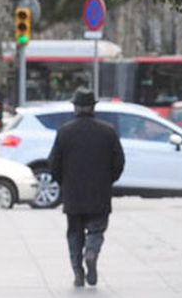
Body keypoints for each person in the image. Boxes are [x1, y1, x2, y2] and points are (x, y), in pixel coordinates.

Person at [48, 89, 125, 287]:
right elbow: (119, 162)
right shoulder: (108, 131)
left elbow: (54, 164)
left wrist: (64, 183)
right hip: (100, 193)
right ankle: (91, 252)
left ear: (75, 108)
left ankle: (78, 272)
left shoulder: (65, 131)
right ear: (93, 107)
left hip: (73, 194)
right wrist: (108, 180)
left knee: (74, 233)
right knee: (96, 229)